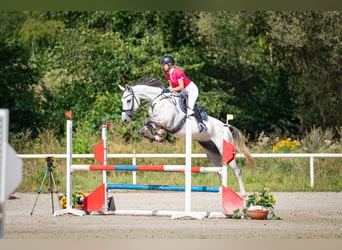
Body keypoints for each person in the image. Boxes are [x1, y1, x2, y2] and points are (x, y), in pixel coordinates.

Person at [160, 55, 207, 133]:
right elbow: (171, 87)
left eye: (164, 65)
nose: (163, 67)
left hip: (191, 89)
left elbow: (181, 86)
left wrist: (170, 91)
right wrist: (165, 90)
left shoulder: (178, 72)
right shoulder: (168, 74)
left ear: (169, 64)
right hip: (184, 90)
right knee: (177, 102)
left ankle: (201, 124)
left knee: (190, 106)